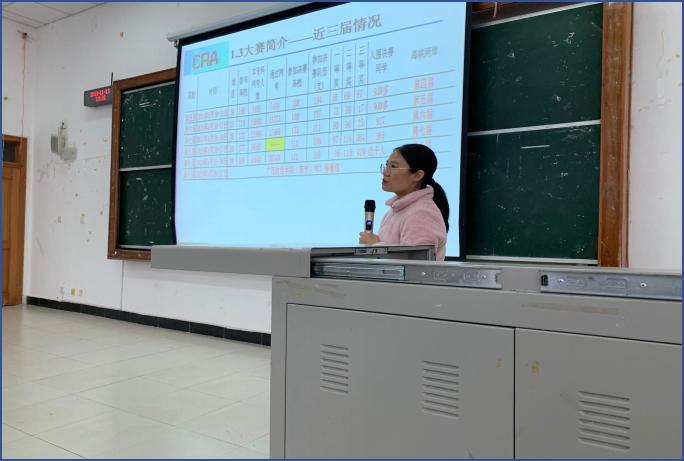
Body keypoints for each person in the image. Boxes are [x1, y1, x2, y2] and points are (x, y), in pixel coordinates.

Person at [359, 144, 450, 261]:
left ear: (417, 175)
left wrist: (374, 245)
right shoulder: (395, 210)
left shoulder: (422, 213)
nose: (385, 172)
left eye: (393, 166)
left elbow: (418, 263)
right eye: (386, 165)